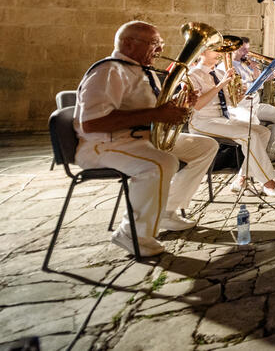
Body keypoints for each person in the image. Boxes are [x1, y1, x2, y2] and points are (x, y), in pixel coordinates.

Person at [73, 21, 219, 257]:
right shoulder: (109, 71)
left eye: (160, 44)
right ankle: (132, 233)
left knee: (205, 146)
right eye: (154, 43)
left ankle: (167, 211)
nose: (160, 50)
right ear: (128, 43)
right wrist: (156, 114)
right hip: (104, 145)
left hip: (143, 139)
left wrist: (181, 104)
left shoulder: (144, 72)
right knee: (162, 163)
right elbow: (91, 123)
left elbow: (153, 110)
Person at [188, 47, 275, 197]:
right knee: (250, 135)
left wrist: (240, 94)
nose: (219, 54)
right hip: (202, 121)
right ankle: (268, 183)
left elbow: (230, 103)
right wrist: (221, 84)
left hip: (222, 119)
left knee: (263, 132)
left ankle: (241, 179)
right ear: (201, 52)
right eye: (214, 50)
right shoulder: (192, 74)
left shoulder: (219, 73)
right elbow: (198, 105)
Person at [227, 36, 275, 162]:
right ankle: (254, 158)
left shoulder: (245, 65)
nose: (247, 52)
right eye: (243, 49)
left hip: (255, 105)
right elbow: (241, 88)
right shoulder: (228, 66)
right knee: (255, 123)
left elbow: (257, 85)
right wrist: (256, 79)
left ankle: (273, 152)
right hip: (239, 107)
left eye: (247, 49)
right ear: (234, 49)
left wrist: (260, 73)